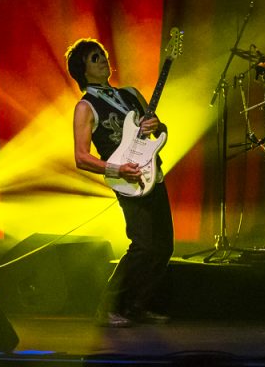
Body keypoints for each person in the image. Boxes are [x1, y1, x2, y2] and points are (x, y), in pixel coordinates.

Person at [65, 38, 174, 327]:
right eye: (94, 58)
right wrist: (117, 168)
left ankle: (137, 305)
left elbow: (158, 130)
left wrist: (157, 126)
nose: (103, 59)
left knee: (164, 246)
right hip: (125, 178)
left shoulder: (130, 94)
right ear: (82, 70)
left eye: (102, 54)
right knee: (143, 245)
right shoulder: (85, 107)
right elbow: (80, 157)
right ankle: (109, 303)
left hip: (152, 172)